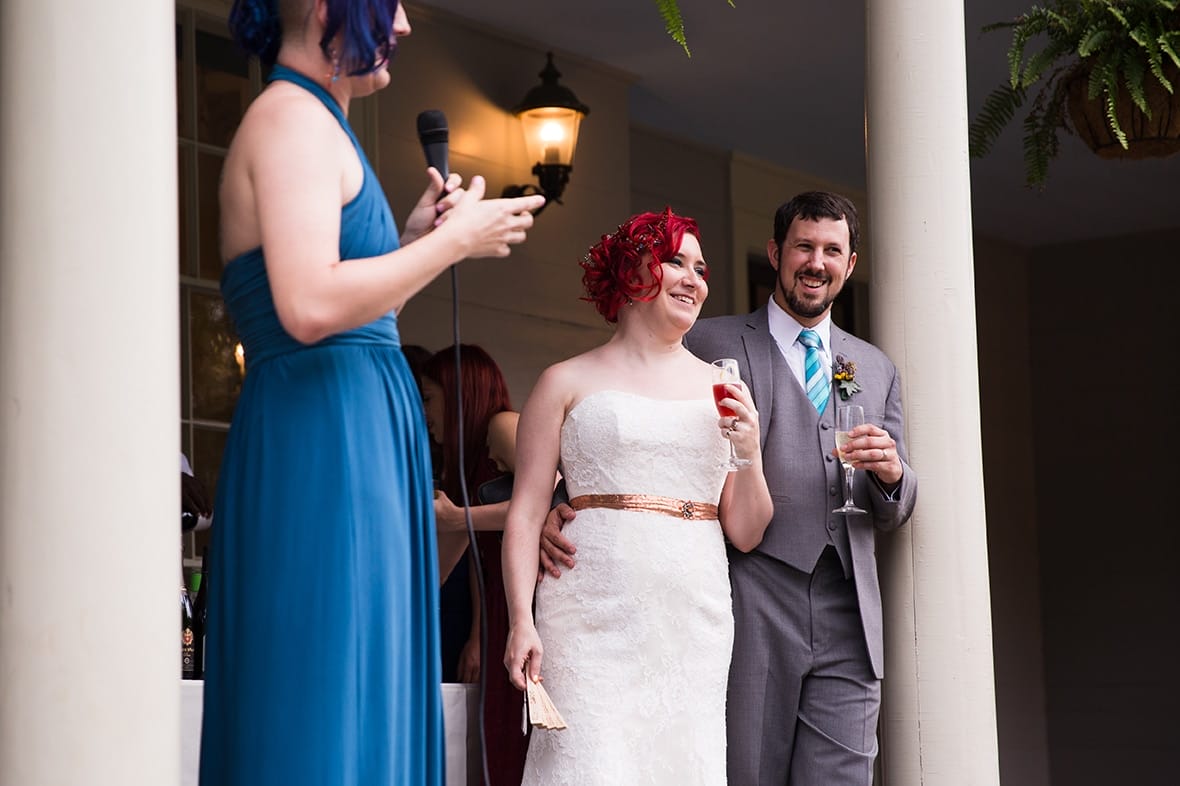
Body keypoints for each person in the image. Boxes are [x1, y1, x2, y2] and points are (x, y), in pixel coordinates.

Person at [199, 0, 546, 783]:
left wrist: (416, 245)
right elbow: (308, 305)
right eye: (388, 3)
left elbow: (358, 312)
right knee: (321, 684)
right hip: (322, 444)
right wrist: (456, 241)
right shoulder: (290, 119)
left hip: (348, 436)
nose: (406, 25)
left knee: (355, 675)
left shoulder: (316, 122)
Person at [542, 191, 918, 785]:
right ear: (776, 253)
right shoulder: (707, 341)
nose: (816, 262)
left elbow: (895, 507)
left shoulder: (874, 367)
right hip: (751, 598)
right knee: (745, 773)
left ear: (849, 264)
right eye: (803, 247)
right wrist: (567, 503)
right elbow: (628, 415)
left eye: (832, 251)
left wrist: (895, 475)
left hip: (849, 607)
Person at [502, 209, 773, 785]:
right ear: (631, 273)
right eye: (676, 260)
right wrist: (520, 620)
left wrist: (748, 448)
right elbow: (526, 513)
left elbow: (746, 530)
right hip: (587, 618)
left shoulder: (723, 389)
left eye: (701, 269)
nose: (694, 279)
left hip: (691, 617)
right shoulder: (563, 381)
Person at [420, 344, 528, 786]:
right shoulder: (456, 467)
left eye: (427, 396)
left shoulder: (503, 426)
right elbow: (443, 571)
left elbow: (553, 499)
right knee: (499, 741)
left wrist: (456, 516)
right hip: (500, 613)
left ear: (458, 392)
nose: (421, 410)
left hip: (535, 603)